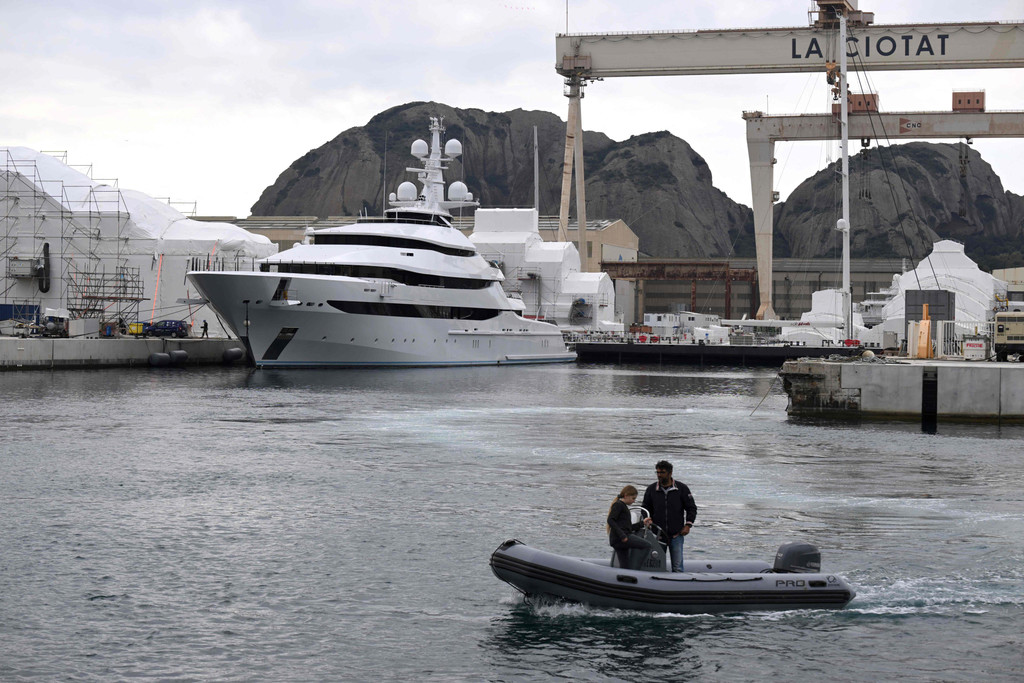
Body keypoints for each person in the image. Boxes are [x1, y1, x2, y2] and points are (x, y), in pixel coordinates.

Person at [641, 460, 697, 572]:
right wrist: (647, 518)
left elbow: (691, 508)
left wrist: (688, 525)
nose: (659, 475)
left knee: (677, 567)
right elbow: (645, 507)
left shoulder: (682, 488)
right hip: (657, 535)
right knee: (655, 567)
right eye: (657, 472)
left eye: (662, 472)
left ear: (670, 473)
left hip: (677, 535)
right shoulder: (651, 489)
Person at [607, 485, 653, 570]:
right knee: (647, 545)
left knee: (624, 564)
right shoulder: (618, 505)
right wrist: (622, 536)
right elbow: (610, 520)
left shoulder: (623, 507)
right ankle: (635, 570)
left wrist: (642, 523)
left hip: (617, 539)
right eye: (633, 498)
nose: (634, 501)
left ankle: (627, 574)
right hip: (621, 538)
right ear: (626, 495)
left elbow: (628, 528)